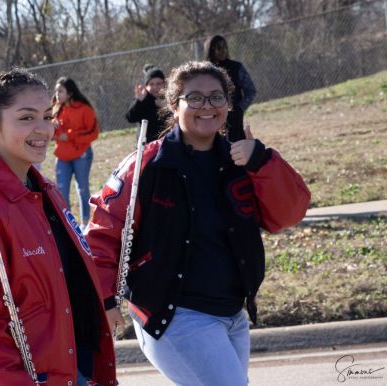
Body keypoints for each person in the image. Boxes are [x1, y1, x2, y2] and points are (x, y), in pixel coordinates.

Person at [86, 61, 310, 386]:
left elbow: (288, 214)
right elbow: (103, 233)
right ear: (174, 105)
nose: (207, 106)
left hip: (233, 316)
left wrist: (262, 159)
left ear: (229, 105)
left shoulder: (241, 159)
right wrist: (105, 300)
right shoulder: (147, 164)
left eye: (216, 97)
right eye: (194, 98)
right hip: (174, 316)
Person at [0, 69, 116, 385]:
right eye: (26, 118)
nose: (43, 129)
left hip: (76, 369)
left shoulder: (46, 191)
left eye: (47, 116)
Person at [52, 77, 99, 228]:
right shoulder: (56, 109)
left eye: (60, 91)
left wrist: (71, 136)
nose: (57, 94)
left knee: (82, 188)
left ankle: (85, 222)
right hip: (62, 156)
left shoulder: (84, 109)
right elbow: (54, 133)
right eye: (56, 91)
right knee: (61, 190)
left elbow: (93, 133)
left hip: (81, 155)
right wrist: (53, 129)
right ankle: (69, 224)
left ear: (70, 93)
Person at [205, 35, 257, 142]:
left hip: (234, 120)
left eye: (225, 47)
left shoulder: (236, 67)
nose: (223, 51)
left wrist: (240, 108)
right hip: (211, 119)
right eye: (219, 48)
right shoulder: (206, 71)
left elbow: (251, 90)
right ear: (211, 50)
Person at [125, 64, 170, 143]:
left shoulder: (169, 99)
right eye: (151, 84)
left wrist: (167, 108)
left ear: (164, 84)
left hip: (167, 142)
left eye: (158, 83)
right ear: (146, 86)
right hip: (146, 145)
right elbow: (130, 118)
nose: (155, 87)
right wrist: (139, 102)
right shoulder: (143, 99)